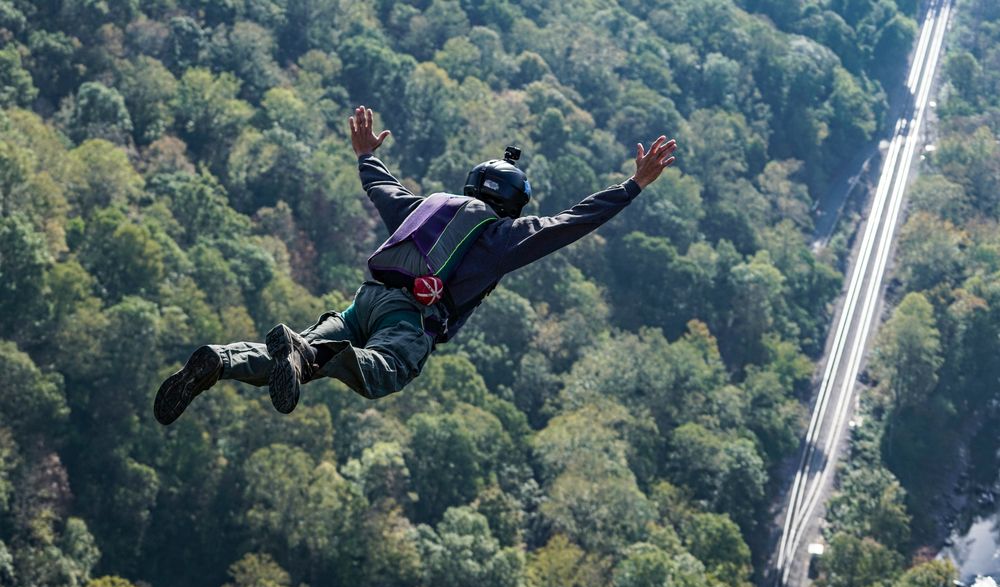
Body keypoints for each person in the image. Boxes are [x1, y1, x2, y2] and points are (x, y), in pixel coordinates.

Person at [153, 106, 678, 425]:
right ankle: (311, 351)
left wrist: (366, 154)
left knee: (290, 364)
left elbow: (382, 187)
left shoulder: (424, 208)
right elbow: (569, 223)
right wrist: (632, 186)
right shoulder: (500, 237)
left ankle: (220, 360)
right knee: (387, 372)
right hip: (409, 320)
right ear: (513, 206)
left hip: (363, 301)